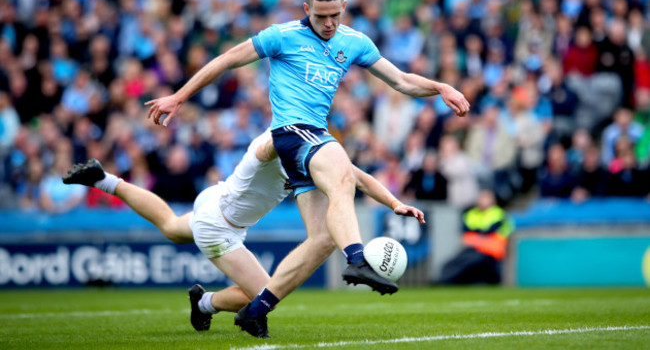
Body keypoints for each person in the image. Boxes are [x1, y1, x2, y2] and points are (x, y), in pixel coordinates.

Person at [145, 0, 469, 337]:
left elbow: (403, 81)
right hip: (291, 130)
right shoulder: (281, 35)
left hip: (313, 136)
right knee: (342, 174)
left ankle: (256, 309)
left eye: (334, 15)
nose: (328, 23)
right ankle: (358, 260)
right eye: (320, 16)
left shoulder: (355, 42)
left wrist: (441, 87)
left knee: (324, 238)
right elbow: (226, 60)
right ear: (306, 10)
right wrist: (178, 96)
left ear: (344, 7)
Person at [63, 130, 424, 335]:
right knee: (265, 293)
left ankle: (104, 180)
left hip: (216, 200)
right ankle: (204, 303)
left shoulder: (309, 155)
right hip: (219, 225)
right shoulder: (279, 143)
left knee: (173, 227)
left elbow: (356, 176)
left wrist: (394, 203)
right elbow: (269, 143)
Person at [439, 190, 513, 285]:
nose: (483, 201)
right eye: (482, 198)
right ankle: (445, 280)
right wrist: (480, 234)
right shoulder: (471, 213)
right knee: (454, 264)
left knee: (474, 263)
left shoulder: (499, 214)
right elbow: (466, 229)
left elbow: (491, 230)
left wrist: (478, 234)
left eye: (486, 198)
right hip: (473, 249)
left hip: (491, 251)